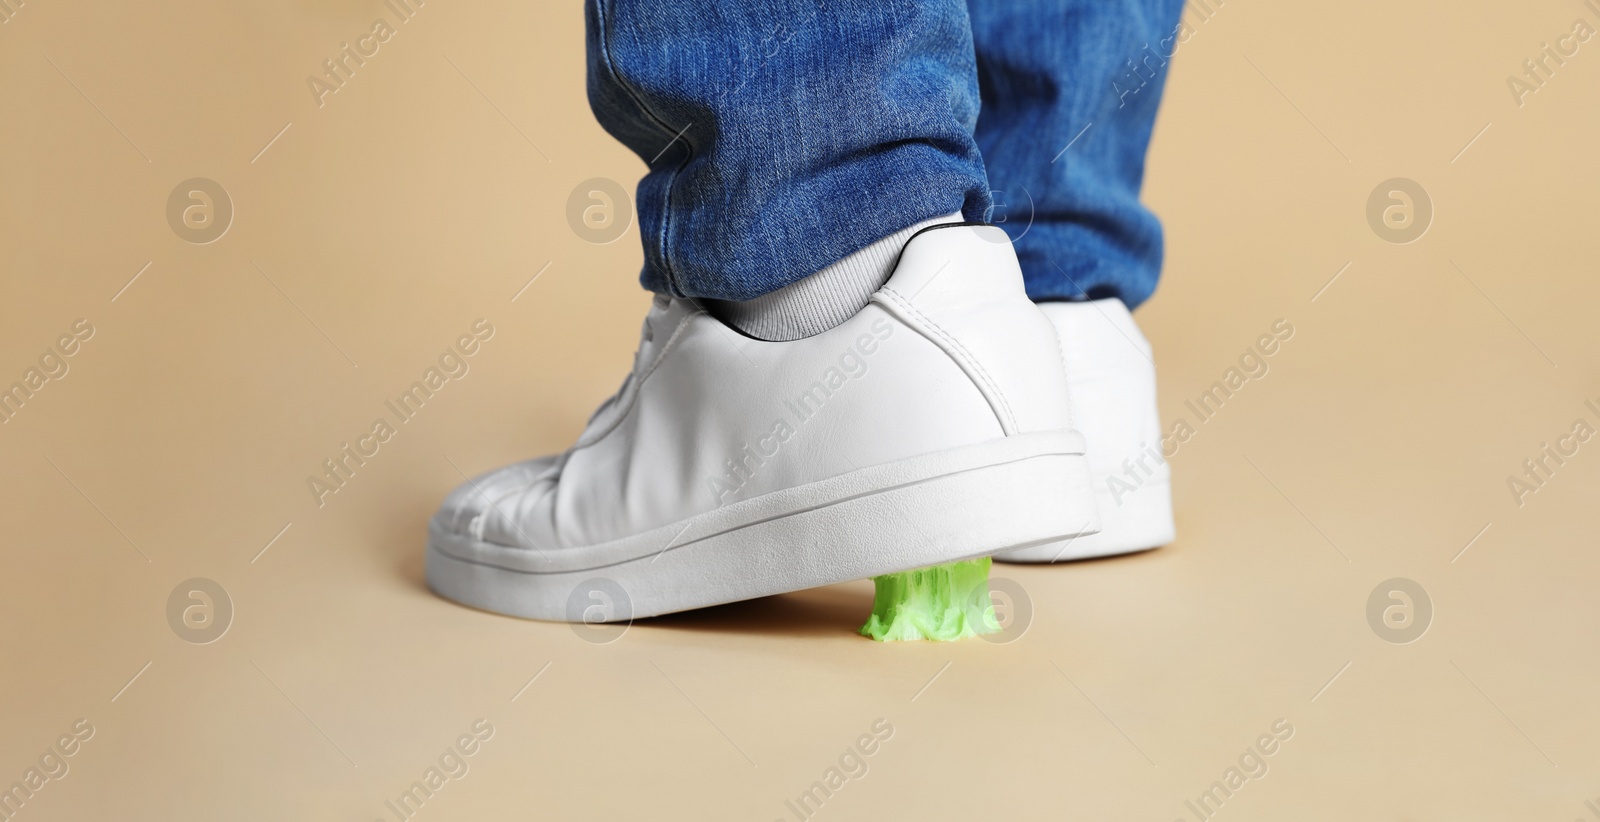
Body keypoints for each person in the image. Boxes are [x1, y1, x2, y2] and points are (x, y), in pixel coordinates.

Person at [425, 0, 1180, 623]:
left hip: (828, 305)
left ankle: (825, 277)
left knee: (830, 190)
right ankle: (1055, 311)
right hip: (1043, 327)